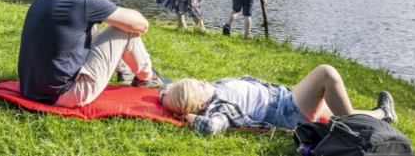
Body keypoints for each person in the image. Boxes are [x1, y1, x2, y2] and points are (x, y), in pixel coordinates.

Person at [18, 0, 170, 108]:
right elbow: (142, 25)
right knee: (125, 29)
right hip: (63, 95)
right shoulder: (81, 2)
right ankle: (147, 78)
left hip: (31, 88)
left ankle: (125, 72)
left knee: (94, 24)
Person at [160, 65, 397, 135]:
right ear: (201, 105)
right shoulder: (218, 108)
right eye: (198, 86)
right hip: (287, 111)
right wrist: (190, 118)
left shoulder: (210, 93)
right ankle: (354, 130)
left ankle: (383, 114)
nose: (202, 80)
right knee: (326, 74)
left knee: (341, 114)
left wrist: (167, 94)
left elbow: (166, 90)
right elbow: (212, 127)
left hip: (286, 98)